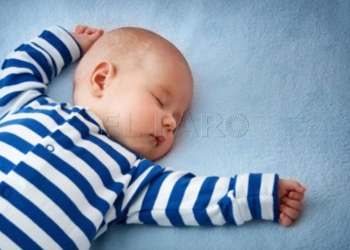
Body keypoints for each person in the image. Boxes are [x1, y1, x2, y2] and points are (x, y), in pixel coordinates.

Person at [0, 25, 306, 249]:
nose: (171, 123)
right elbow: (18, 68)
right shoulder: (27, 105)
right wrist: (68, 43)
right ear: (102, 78)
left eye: (178, 118)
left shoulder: (130, 178)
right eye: (161, 102)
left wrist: (261, 195)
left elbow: (192, 198)